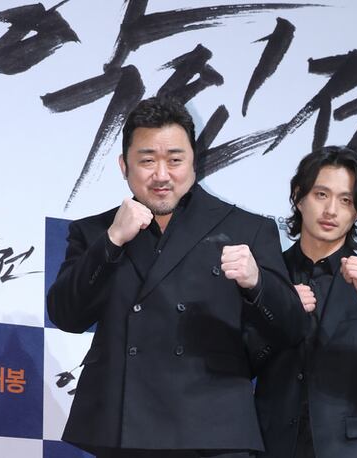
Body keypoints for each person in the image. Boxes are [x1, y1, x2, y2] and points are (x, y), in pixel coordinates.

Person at [46, 96, 307, 458]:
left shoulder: (247, 229)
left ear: (194, 162)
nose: (161, 175)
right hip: (125, 430)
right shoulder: (95, 232)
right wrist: (113, 240)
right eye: (147, 160)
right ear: (124, 165)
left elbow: (292, 328)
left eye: (174, 160)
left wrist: (256, 282)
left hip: (213, 431)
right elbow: (65, 316)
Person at [247, 146, 357, 458]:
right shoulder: (266, 275)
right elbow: (240, 364)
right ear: (299, 196)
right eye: (321, 195)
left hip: (353, 450)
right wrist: (282, 312)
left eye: (346, 200)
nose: (331, 210)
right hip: (271, 444)